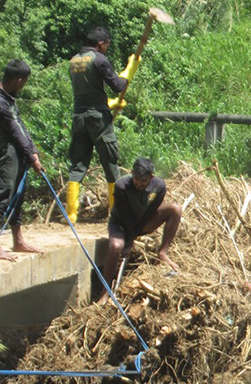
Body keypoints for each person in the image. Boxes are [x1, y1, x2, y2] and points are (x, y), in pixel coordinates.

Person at [66, 27, 140, 223]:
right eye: (107, 44)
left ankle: (71, 214)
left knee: (78, 163)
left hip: (79, 118)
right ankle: (115, 212)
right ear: (101, 43)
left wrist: (109, 103)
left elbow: (86, 93)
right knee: (110, 161)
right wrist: (130, 69)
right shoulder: (99, 59)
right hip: (98, 119)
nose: (107, 47)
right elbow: (119, 85)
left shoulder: (74, 61)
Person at [0, 60, 45, 261]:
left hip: (18, 150)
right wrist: (31, 157)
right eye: (24, 82)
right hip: (9, 151)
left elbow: (20, 125)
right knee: (3, 192)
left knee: (19, 194)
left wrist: (32, 151)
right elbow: (14, 132)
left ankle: (18, 241)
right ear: (19, 80)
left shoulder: (7, 96)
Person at [98, 158, 181, 305]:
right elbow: (125, 216)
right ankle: (105, 292)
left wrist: (137, 232)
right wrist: (128, 242)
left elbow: (152, 210)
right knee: (116, 246)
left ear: (151, 177)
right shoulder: (121, 186)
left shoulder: (159, 186)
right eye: (136, 179)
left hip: (143, 221)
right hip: (121, 224)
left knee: (175, 209)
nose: (139, 183)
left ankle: (163, 253)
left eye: (143, 180)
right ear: (131, 174)